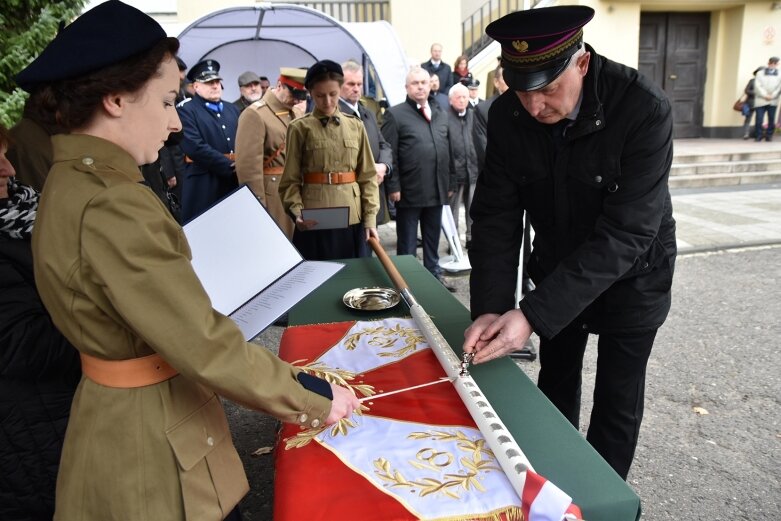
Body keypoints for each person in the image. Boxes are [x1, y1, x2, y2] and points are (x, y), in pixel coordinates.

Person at [14, 2, 359, 519]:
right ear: (115, 100)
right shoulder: (113, 201)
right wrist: (310, 395)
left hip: (116, 413)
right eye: (167, 101)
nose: (175, 122)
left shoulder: (70, 179)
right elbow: (201, 345)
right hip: (151, 440)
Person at [464, 6, 676, 480]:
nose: (534, 106)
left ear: (580, 63)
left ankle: (602, 498)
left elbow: (628, 232)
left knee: (617, 402)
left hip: (635, 275)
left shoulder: (643, 107)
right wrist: (493, 308)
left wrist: (534, 314)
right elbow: (497, 216)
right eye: (521, 90)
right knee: (554, 385)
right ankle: (551, 487)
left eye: (548, 89)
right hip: (559, 268)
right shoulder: (506, 116)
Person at [0, 124, 81, 521]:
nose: (9, 170)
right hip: (30, 429)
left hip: (63, 407)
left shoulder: (30, 211)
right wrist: (117, 316)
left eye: (4, 155)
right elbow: (20, 342)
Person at [279, 60, 379, 260]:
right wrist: (297, 213)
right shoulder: (300, 128)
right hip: (315, 219)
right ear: (310, 93)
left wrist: (370, 220)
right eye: (320, 95)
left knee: (354, 278)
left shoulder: (355, 126)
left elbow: (367, 176)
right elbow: (290, 181)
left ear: (340, 89)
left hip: (352, 218)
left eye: (333, 94)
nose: (327, 102)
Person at [381, 66, 455, 290]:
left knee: (433, 238)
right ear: (407, 87)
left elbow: (448, 149)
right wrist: (393, 185)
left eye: (424, 82)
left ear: (430, 84)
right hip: (409, 190)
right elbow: (388, 151)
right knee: (408, 242)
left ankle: (434, 276)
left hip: (436, 188)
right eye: (415, 83)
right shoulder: (395, 114)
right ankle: (405, 282)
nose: (421, 86)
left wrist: (450, 182)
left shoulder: (439, 111)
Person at [235, 67, 309, 239]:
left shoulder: (296, 112)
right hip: (274, 197)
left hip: (298, 194)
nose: (296, 101)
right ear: (280, 85)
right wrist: (258, 207)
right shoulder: (255, 114)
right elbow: (248, 169)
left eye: (300, 97)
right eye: (293, 95)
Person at [177, 59, 240, 221]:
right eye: (209, 82)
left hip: (233, 180)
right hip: (203, 181)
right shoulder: (186, 110)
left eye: (217, 81)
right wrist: (229, 166)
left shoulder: (232, 109)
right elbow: (194, 147)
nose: (215, 86)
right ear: (196, 86)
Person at [339, 59, 394, 227]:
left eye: (359, 84)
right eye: (350, 84)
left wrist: (384, 166)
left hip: (372, 192)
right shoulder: (334, 115)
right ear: (339, 85)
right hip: (348, 195)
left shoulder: (367, 113)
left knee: (369, 245)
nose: (356, 88)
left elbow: (384, 145)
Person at [445, 83, 478, 247]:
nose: (462, 100)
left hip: (472, 170)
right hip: (455, 174)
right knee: (454, 211)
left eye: (465, 96)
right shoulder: (445, 118)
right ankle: (453, 242)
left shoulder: (473, 115)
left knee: (473, 209)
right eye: (458, 97)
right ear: (451, 100)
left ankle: (471, 238)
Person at [753, 56, 781, 141]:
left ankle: (769, 136)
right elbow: (757, 85)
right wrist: (765, 95)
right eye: (771, 63)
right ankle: (758, 135)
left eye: (775, 63)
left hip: (773, 100)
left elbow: (779, 87)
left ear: (777, 64)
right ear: (768, 63)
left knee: (771, 119)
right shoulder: (760, 73)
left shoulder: (780, 73)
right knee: (759, 119)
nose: (773, 65)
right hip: (761, 99)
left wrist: (772, 95)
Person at [742, 67, 761, 139]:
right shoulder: (752, 81)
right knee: (748, 118)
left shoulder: (766, 82)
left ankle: (758, 134)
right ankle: (746, 133)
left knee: (759, 118)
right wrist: (757, 93)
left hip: (761, 103)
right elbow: (747, 90)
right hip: (751, 102)